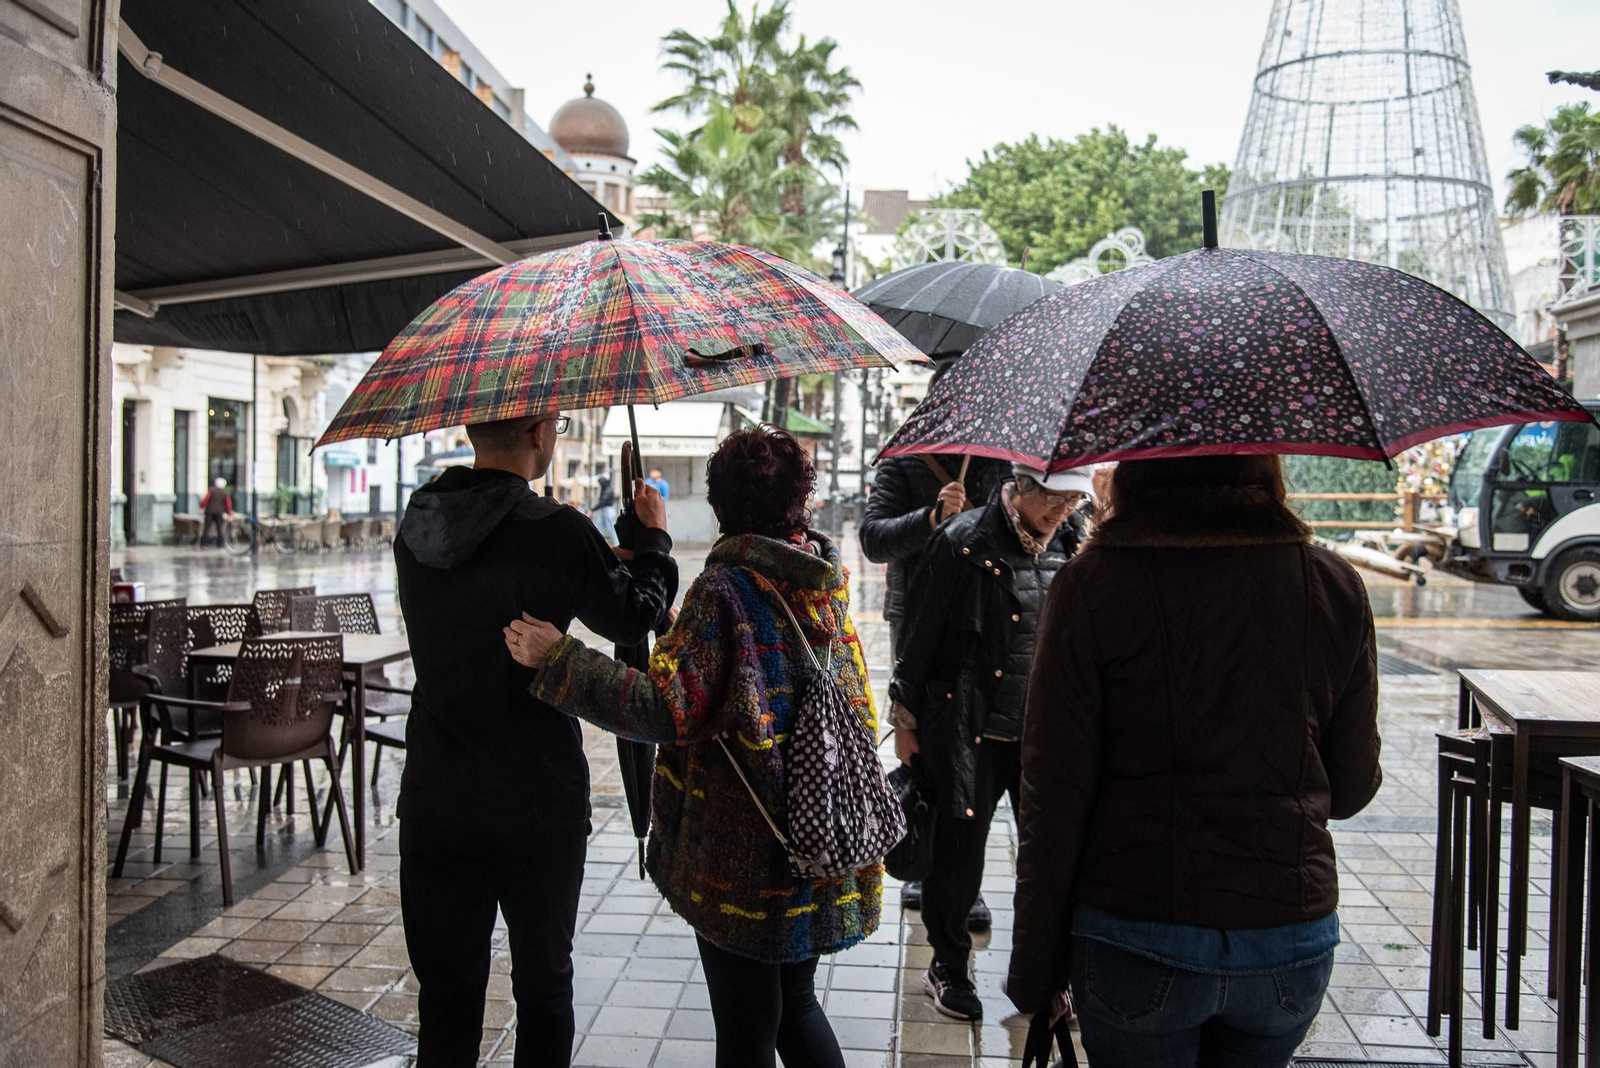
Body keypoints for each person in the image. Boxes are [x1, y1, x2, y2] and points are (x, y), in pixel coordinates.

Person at [503, 427, 878, 1068]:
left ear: (721, 504)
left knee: (746, 1033)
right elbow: (759, 682)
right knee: (797, 1009)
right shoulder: (820, 578)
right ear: (801, 501)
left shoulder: (724, 590)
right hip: (813, 833)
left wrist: (559, 658)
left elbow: (663, 711)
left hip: (742, 856)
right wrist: (680, 636)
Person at [1007, 455, 1382, 1068]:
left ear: (1141, 469)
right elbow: (1351, 786)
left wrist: (1036, 970)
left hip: (1136, 929)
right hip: (1288, 936)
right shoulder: (1333, 582)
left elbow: (1054, 795)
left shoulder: (1093, 584)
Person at [393, 413, 677, 1068]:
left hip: (437, 794)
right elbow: (633, 613)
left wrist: (608, 563)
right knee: (544, 987)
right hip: (535, 798)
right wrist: (655, 542)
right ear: (538, 433)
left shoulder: (416, 523)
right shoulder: (556, 530)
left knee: (446, 998)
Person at [887, 463, 1092, 1022]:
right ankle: (948, 966)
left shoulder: (1076, 545)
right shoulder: (962, 540)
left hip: (1044, 737)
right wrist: (905, 722)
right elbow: (920, 633)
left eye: (1073, 500)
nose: (1061, 511)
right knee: (957, 858)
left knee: (1050, 862)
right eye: (1053, 498)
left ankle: (1048, 976)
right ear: (1022, 486)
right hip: (965, 729)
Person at [198, 477, 232, 547]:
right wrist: (229, 513)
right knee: (219, 528)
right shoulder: (225, 493)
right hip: (220, 512)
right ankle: (220, 544)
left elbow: (205, 500)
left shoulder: (211, 491)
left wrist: (201, 507)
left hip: (210, 511)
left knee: (207, 528)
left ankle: (204, 543)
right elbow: (228, 504)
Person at [592, 473, 618, 545]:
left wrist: (593, 509)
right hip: (604, 510)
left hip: (608, 510)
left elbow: (602, 502)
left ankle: (616, 544)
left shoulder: (608, 490)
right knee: (598, 527)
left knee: (611, 529)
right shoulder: (605, 489)